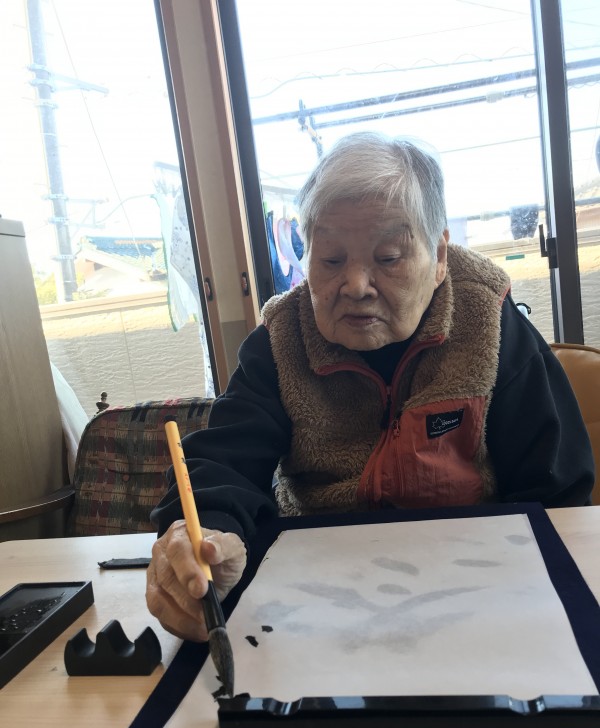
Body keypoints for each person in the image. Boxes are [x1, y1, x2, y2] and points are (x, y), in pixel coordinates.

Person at [145, 131, 595, 642]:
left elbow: (557, 491)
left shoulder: (490, 325)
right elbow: (222, 466)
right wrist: (203, 534)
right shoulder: (279, 341)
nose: (356, 286)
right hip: (316, 592)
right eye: (331, 260)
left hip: (477, 589)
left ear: (439, 256)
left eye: (388, 257)